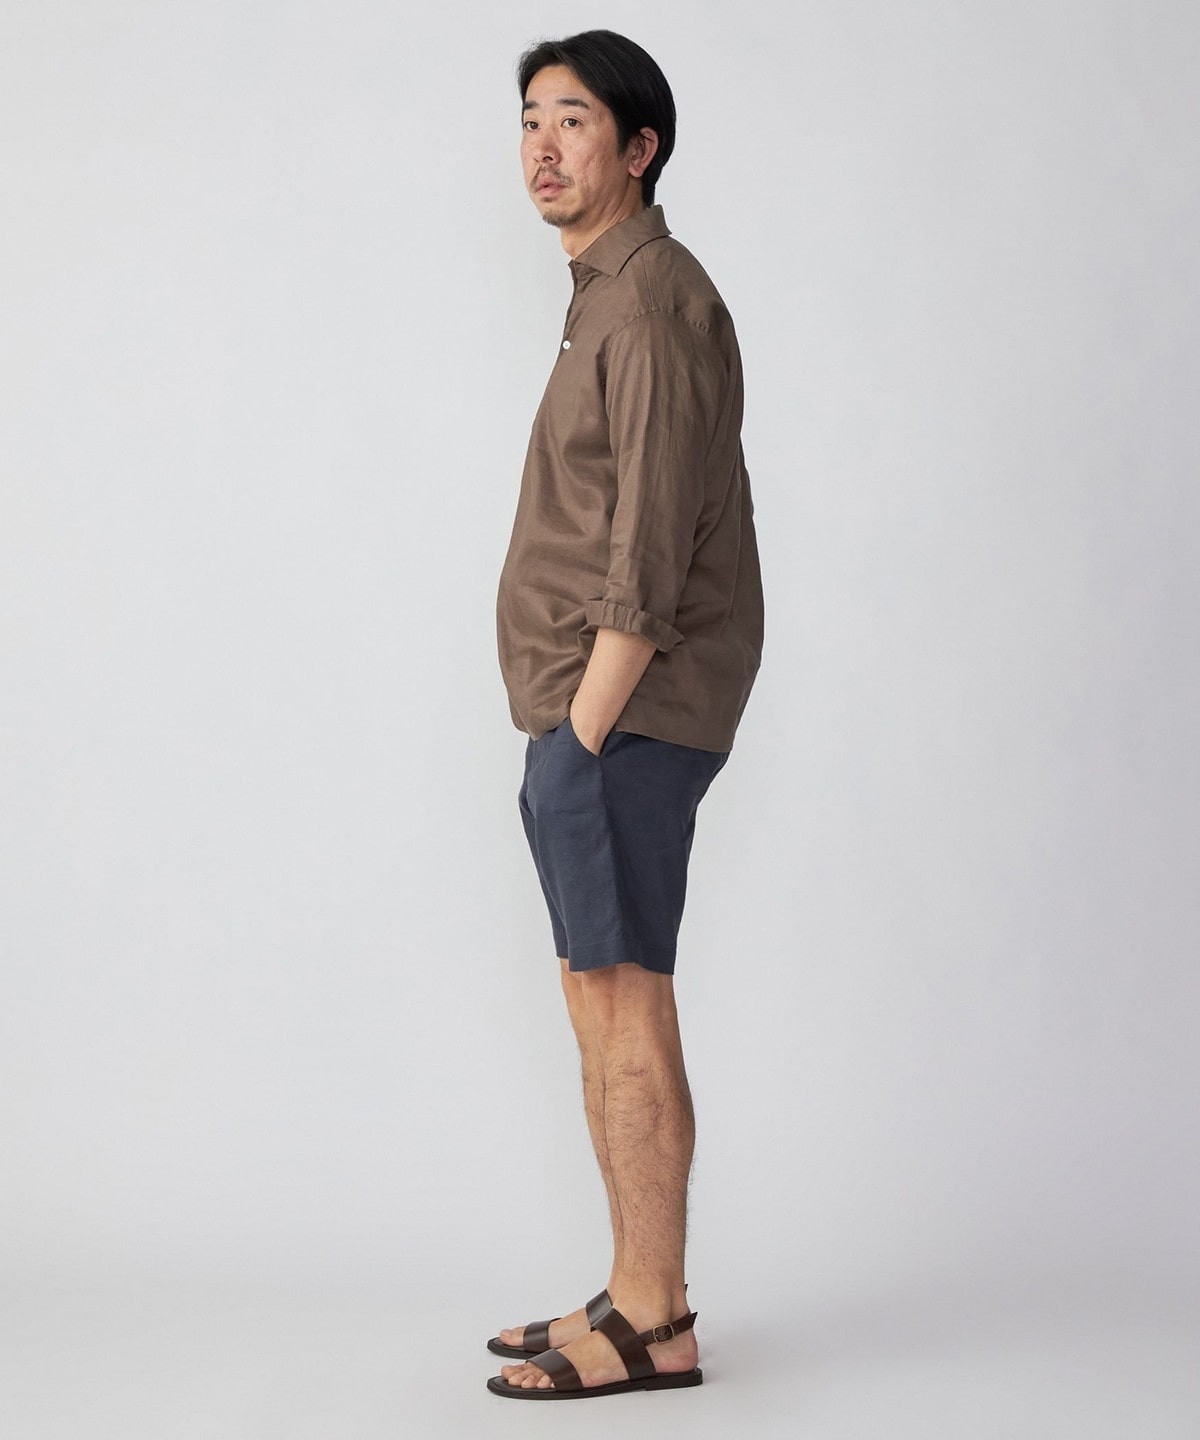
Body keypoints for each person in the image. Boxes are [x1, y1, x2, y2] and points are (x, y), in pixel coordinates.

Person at [488, 29, 764, 1402]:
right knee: (602, 1004)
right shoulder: (608, 293)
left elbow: (647, 554)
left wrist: (581, 737)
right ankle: (635, 1287)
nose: (542, 148)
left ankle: (654, 1321)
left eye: (575, 121)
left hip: (623, 720)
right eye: (530, 120)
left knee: (625, 1004)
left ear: (639, 147)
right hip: (598, 723)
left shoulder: (649, 305)